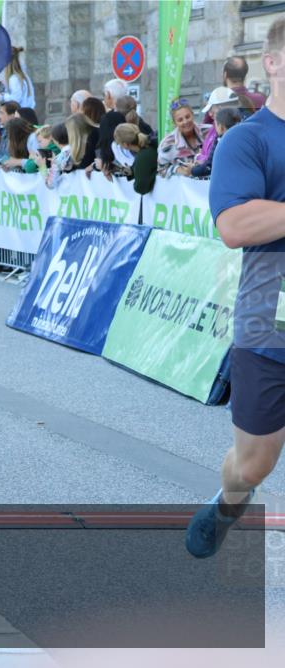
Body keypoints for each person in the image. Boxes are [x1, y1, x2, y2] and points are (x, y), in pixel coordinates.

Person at [186, 17, 285, 559]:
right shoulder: (246, 140)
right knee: (253, 464)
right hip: (269, 323)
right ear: (271, 63)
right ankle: (227, 501)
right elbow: (235, 226)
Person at [203, 55, 268, 125]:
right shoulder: (261, 99)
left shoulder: (216, 102)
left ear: (225, 75)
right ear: (245, 75)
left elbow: (207, 131)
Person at [158, 98, 209, 177]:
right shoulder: (167, 143)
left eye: (187, 117)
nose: (185, 122)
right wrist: (178, 169)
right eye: (180, 120)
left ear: (193, 114)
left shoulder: (209, 131)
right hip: (185, 188)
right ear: (174, 123)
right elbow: (160, 169)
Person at [195, 86, 239, 169]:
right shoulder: (214, 128)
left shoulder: (231, 132)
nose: (210, 114)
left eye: (212, 109)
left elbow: (212, 162)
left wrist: (194, 169)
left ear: (221, 107)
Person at [191, 107, 242, 178]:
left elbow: (209, 167)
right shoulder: (242, 138)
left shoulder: (220, 142)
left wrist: (192, 170)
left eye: (216, 124)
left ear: (221, 127)